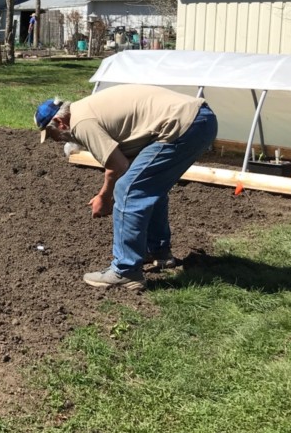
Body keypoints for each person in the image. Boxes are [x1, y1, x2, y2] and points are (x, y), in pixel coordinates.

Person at [34, 85, 218, 290]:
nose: (56, 140)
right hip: (198, 120)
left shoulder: (81, 123)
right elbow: (128, 160)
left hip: (183, 125)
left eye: (52, 134)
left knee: (128, 190)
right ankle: (158, 252)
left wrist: (104, 197)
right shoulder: (87, 109)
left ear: (60, 122)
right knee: (147, 185)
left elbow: (117, 166)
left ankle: (126, 270)